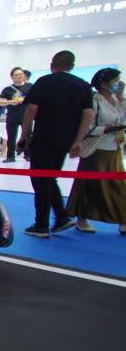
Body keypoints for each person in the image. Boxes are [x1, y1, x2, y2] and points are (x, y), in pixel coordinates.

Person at [17, 50, 95, 238]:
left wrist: (24, 135)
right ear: (72, 66)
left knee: (41, 180)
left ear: (52, 65)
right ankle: (61, 217)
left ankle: (42, 225)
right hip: (66, 140)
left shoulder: (44, 82)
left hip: (45, 138)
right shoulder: (82, 85)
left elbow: (31, 109)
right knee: (49, 178)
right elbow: (88, 115)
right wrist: (78, 141)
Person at [66, 67, 126, 235]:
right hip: (96, 148)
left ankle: (122, 219)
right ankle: (82, 218)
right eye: (115, 81)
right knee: (89, 185)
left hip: (115, 147)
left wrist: (121, 96)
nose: (119, 83)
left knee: (118, 184)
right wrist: (108, 129)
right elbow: (88, 125)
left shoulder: (115, 99)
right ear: (104, 84)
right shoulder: (94, 100)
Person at [0, 67, 32, 162]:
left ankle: (28, 155)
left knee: (28, 136)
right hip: (12, 116)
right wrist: (10, 102)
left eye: (21, 74)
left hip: (26, 116)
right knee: (11, 136)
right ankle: (10, 156)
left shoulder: (30, 86)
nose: (19, 76)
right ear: (12, 77)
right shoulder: (7, 89)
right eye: (17, 75)